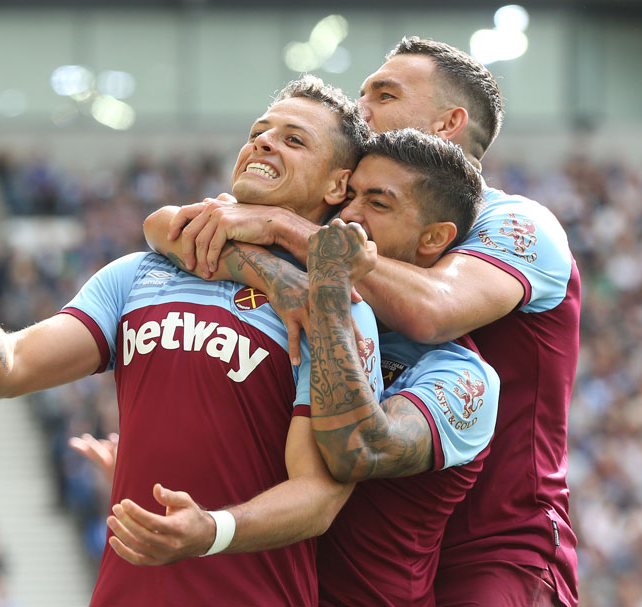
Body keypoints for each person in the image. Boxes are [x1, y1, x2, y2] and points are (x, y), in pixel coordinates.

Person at [0, 76, 381, 607]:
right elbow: (6, 369)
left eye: (294, 140)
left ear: (335, 186)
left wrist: (212, 531)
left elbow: (320, 496)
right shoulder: (139, 273)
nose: (264, 142)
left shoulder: (329, 309)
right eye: (259, 132)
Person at [162, 37, 580, 607]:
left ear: (447, 123)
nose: (362, 109)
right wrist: (266, 264)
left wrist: (281, 227)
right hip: (350, 541)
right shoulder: (350, 209)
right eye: (361, 94)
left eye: (384, 95)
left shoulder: (517, 223)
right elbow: (177, 226)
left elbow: (433, 310)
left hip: (492, 546)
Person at [98, 129, 501, 606]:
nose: (349, 215)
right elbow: (168, 226)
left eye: (379, 203)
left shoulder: (461, 377)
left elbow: (363, 451)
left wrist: (321, 276)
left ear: (433, 237)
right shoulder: (290, 309)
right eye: (349, 196)